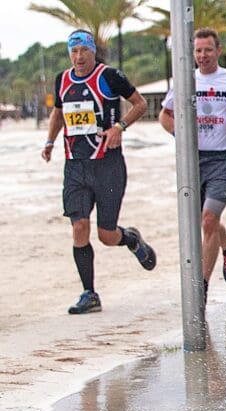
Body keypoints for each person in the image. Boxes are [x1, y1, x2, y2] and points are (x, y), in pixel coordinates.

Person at [41, 29, 154, 315]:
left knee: (106, 235)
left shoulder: (110, 76)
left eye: (84, 51)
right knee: (79, 227)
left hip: (108, 165)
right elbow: (59, 113)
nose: (78, 57)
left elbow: (140, 105)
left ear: (93, 52)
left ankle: (130, 239)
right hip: (75, 166)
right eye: (74, 52)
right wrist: (50, 141)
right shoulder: (62, 80)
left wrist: (120, 127)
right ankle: (89, 293)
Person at [159, 28, 226, 302]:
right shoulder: (185, 80)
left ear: (218, 50)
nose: (203, 55)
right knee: (206, 221)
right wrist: (180, 134)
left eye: (208, 50)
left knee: (208, 219)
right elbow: (165, 115)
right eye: (198, 51)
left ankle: (201, 288)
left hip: (224, 158)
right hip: (193, 160)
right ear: (192, 53)